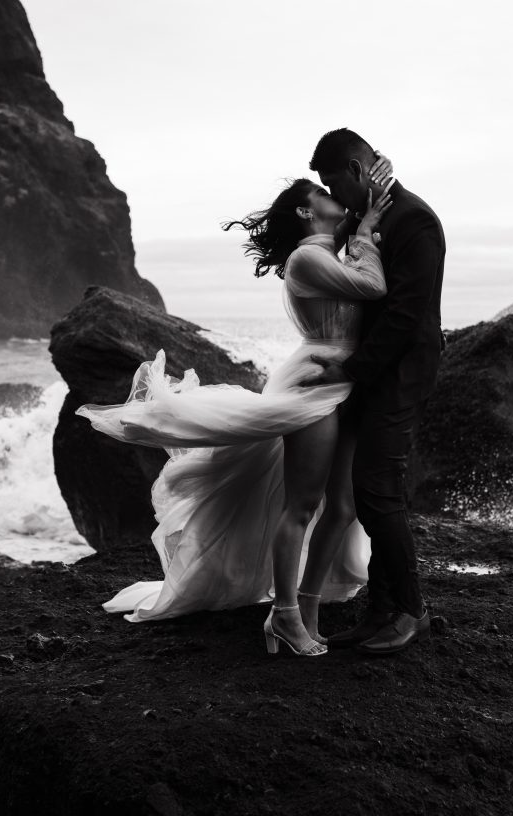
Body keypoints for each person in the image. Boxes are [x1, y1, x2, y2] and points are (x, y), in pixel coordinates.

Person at [76, 155, 393, 658]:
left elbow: (362, 262)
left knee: (344, 505)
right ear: (307, 215)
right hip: (314, 384)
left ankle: (304, 607)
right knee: (303, 503)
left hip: (343, 381)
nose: (333, 197)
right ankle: (285, 615)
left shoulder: (329, 249)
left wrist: (368, 203)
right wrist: (367, 233)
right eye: (322, 194)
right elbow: (373, 286)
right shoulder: (307, 258)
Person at [303, 128, 446, 656]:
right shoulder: (374, 217)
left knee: (377, 487)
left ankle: (412, 610)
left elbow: (407, 314)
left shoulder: (415, 220)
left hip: (402, 371)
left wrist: (353, 371)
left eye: (334, 181)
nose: (332, 193)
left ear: (358, 172)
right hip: (374, 371)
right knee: (372, 491)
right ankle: (381, 611)